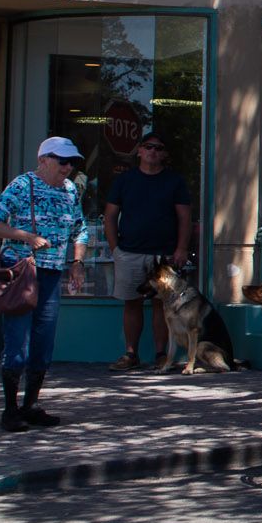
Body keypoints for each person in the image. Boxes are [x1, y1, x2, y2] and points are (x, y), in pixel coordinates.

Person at [0, 136, 90, 432]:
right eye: (62, 160)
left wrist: (77, 264)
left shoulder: (69, 190)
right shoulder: (22, 185)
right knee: (17, 340)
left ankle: (31, 404)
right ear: (43, 160)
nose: (67, 167)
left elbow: (80, 230)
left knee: (44, 341)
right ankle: (10, 409)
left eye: (71, 162)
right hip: (21, 273)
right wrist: (25, 237)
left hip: (52, 274)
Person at [103, 131, 193, 371]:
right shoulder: (124, 180)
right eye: (148, 147)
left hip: (163, 254)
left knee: (161, 306)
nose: (153, 151)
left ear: (164, 154)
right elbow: (110, 216)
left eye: (158, 148)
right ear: (140, 151)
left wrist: (181, 248)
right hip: (129, 251)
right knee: (131, 303)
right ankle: (130, 354)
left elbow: (184, 217)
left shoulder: (174, 181)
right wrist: (115, 249)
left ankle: (161, 354)